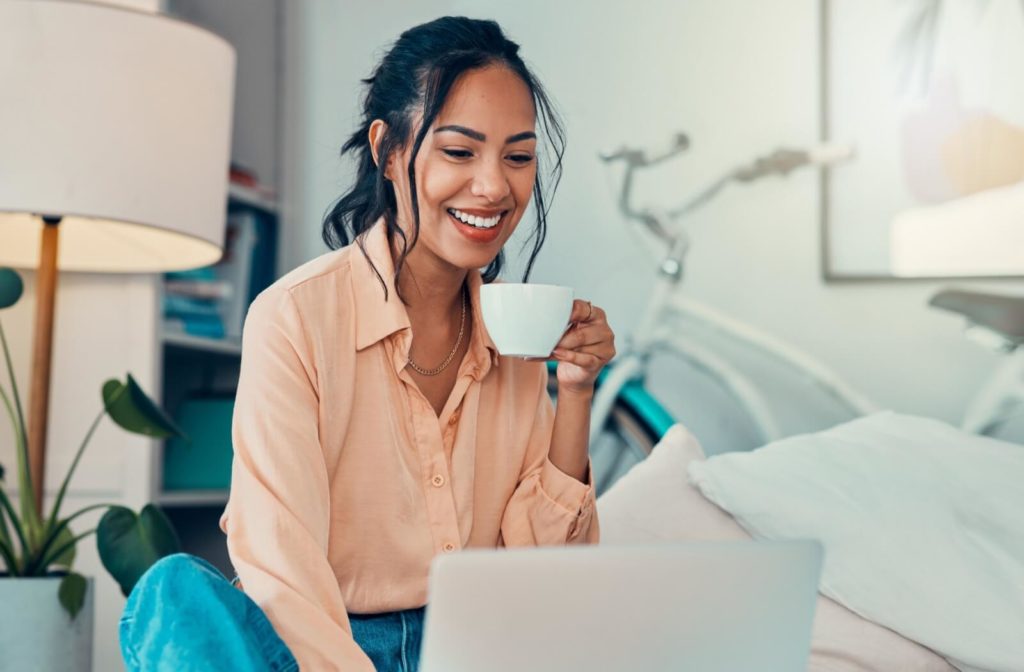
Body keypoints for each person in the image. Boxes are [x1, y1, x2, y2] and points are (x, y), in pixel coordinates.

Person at [119, 15, 615, 672]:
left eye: (518, 157)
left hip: (472, 649)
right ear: (388, 149)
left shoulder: (515, 336)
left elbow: (545, 580)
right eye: (460, 152)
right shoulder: (295, 319)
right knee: (173, 594)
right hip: (327, 643)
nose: (495, 187)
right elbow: (284, 575)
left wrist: (576, 391)